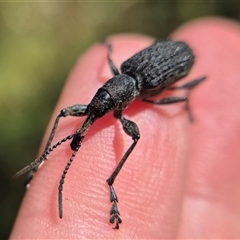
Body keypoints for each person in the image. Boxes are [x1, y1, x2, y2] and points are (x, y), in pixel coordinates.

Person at [10, 17, 240, 238]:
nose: (89, 119)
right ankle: (42, 160)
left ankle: (111, 182)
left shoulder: (146, 84)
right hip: (159, 57)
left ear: (119, 101)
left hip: (179, 60)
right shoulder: (121, 75)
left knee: (136, 135)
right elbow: (70, 115)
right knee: (65, 113)